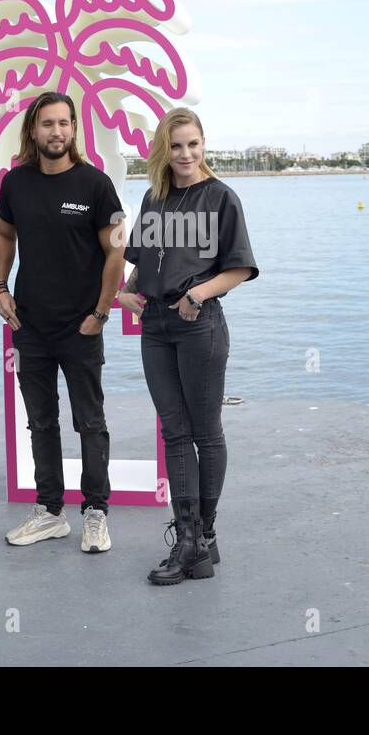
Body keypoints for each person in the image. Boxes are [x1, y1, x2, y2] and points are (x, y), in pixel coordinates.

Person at [119, 107, 258, 585]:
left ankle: (203, 536)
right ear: (165, 148)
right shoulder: (154, 198)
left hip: (200, 323)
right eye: (176, 145)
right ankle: (188, 539)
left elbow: (238, 268)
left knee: (205, 432)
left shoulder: (221, 198)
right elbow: (142, 262)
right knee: (173, 433)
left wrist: (198, 293)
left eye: (192, 144)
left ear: (204, 145)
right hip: (156, 327)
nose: (185, 154)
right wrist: (127, 293)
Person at [0, 90, 125, 553]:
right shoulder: (16, 183)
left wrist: (101, 312)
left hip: (81, 326)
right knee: (41, 422)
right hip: (30, 324)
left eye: (64, 123)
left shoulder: (95, 184)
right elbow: (4, 234)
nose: (57, 132)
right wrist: (1, 287)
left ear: (74, 129)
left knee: (90, 422)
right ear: (33, 129)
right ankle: (50, 512)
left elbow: (117, 250)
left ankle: (95, 513)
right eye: (47, 123)